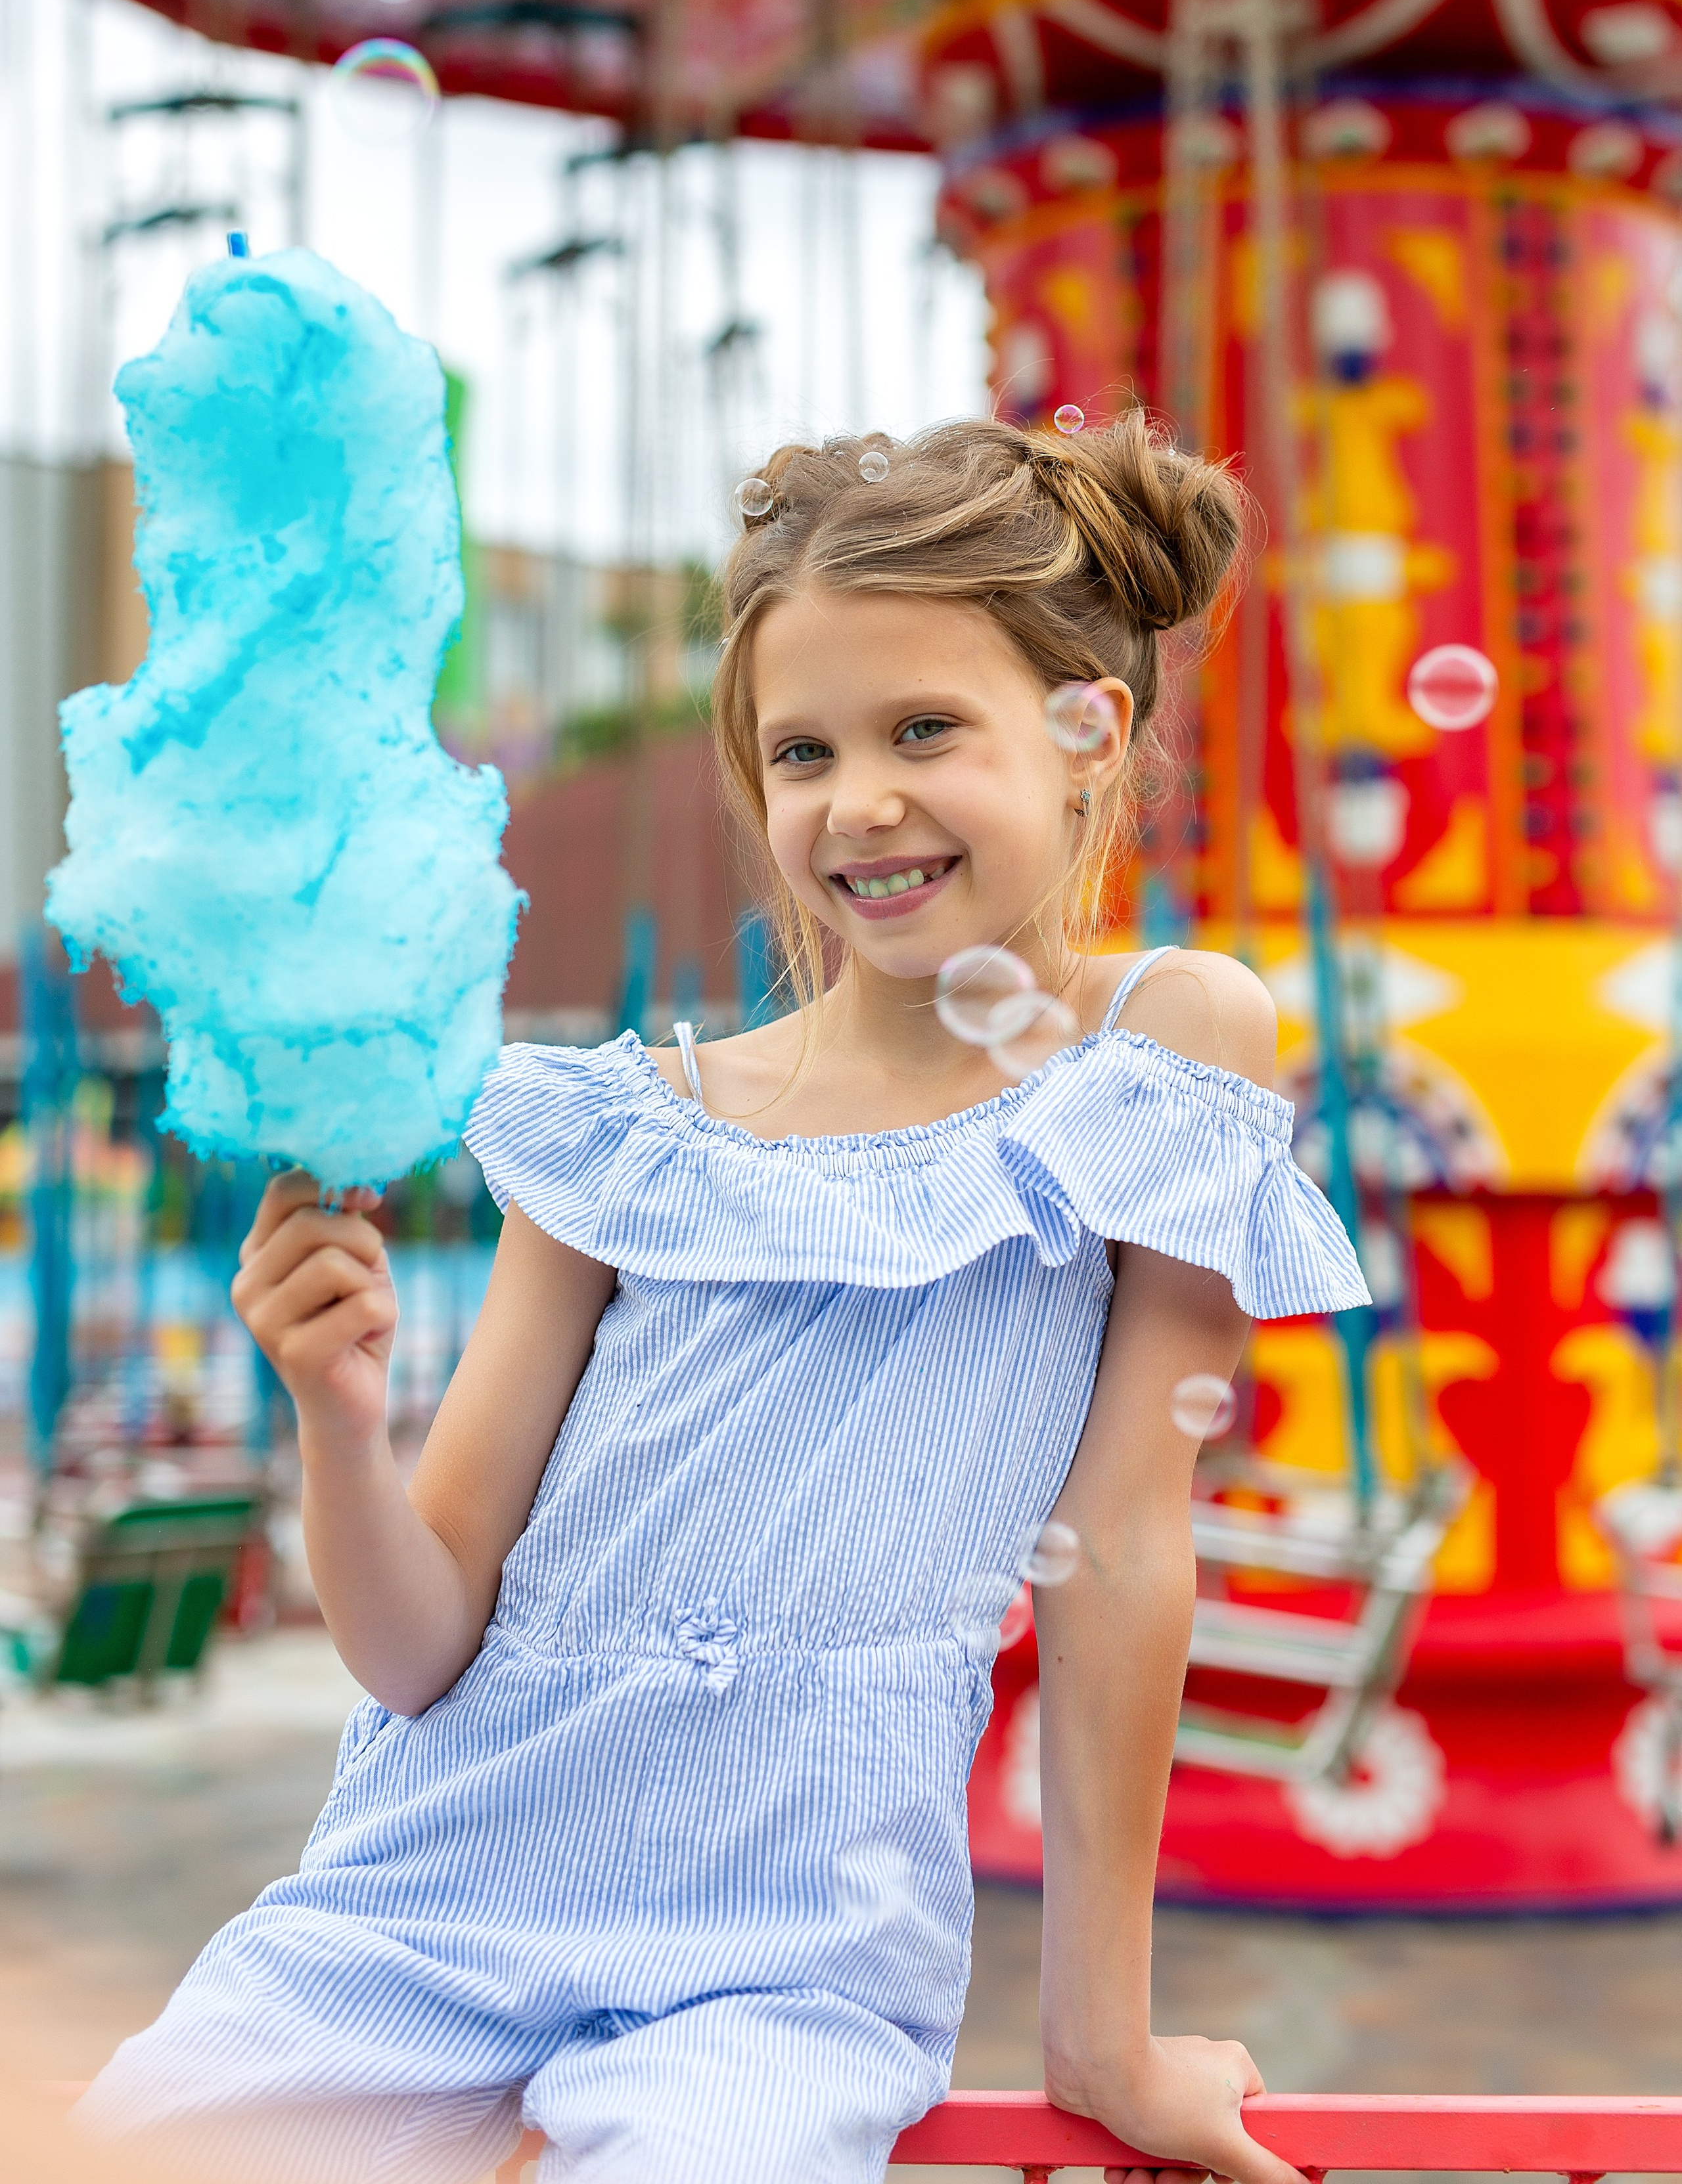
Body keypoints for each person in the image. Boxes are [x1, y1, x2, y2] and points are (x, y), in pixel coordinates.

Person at [77, 414, 1368, 2184]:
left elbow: (1128, 1546)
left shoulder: (1162, 1043)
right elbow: (418, 1641)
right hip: (427, 1900)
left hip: (789, 1949)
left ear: (1092, 736)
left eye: (926, 729)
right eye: (803, 750)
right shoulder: (622, 1133)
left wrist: (1105, 2042)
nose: (861, 799)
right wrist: (336, 1416)